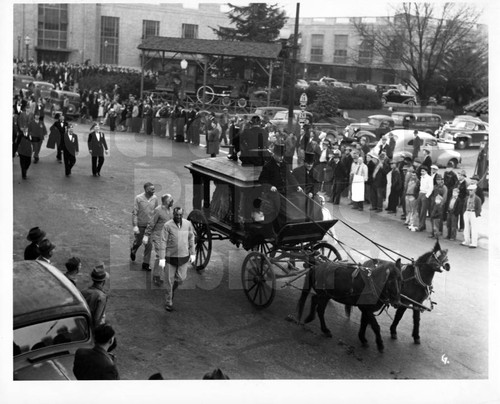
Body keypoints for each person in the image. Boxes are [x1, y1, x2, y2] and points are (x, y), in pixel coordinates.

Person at [158, 207, 196, 312]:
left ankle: (171, 290)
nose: (178, 217)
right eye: (176, 215)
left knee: (181, 279)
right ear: (173, 215)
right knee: (169, 281)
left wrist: (193, 253)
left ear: (182, 214)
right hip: (170, 258)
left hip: (183, 257)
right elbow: (163, 241)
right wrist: (162, 258)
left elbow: (191, 238)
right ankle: (168, 302)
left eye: (180, 215)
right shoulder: (167, 226)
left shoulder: (187, 224)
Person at [258, 143, 302, 230]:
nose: (281, 158)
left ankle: (297, 222)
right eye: (279, 156)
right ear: (274, 154)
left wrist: (297, 186)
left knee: (297, 200)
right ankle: (282, 228)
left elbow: (290, 177)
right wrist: (270, 187)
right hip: (273, 193)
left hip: (284, 191)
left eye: (282, 156)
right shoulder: (268, 166)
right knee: (282, 206)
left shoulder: (284, 164)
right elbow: (262, 180)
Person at [143, 193, 174, 286]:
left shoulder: (170, 210)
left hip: (167, 237)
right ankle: (156, 276)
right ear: (166, 202)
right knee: (159, 255)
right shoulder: (158, 210)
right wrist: (146, 235)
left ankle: (162, 274)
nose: (172, 201)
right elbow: (151, 223)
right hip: (158, 236)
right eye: (171, 200)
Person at [131, 182, 159, 271]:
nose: (154, 191)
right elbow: (135, 212)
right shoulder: (138, 198)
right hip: (140, 225)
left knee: (149, 245)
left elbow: (156, 212)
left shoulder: (155, 198)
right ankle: (134, 249)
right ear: (147, 190)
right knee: (138, 242)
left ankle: (145, 264)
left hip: (150, 226)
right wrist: (135, 225)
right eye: (152, 189)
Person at [292, 152, 322, 221]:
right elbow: (292, 182)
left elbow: (317, 184)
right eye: (308, 163)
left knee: (316, 201)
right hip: (299, 193)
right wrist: (297, 187)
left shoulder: (316, 172)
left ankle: (315, 220)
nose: (310, 165)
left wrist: (312, 192)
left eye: (311, 164)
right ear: (304, 162)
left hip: (311, 193)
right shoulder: (297, 171)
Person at [461, 184, 482, 248]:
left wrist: (476, 214)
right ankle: (466, 241)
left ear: (475, 190)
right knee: (466, 227)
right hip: (467, 212)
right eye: (469, 190)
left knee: (474, 228)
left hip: (473, 212)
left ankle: (474, 243)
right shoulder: (467, 198)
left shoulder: (477, 199)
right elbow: (464, 205)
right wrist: (464, 212)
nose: (470, 192)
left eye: (471, 190)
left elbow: (479, 208)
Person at [416, 166, 433, 231]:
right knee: (419, 209)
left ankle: (421, 225)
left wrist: (427, 196)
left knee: (423, 211)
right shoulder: (422, 178)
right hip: (421, 193)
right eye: (421, 171)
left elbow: (431, 188)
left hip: (425, 194)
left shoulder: (429, 178)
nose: (422, 172)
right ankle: (422, 224)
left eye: (423, 171)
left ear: (426, 171)